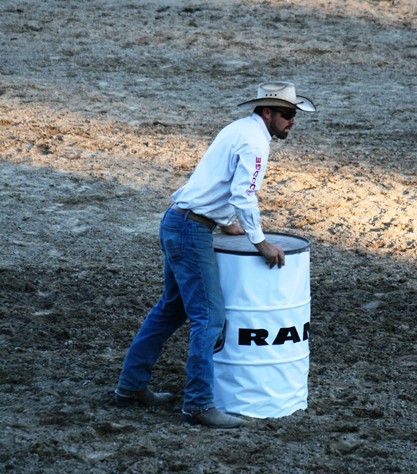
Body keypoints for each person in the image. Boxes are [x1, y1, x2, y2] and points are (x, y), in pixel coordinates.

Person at [114, 81, 316, 428]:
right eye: (286, 114)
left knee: (171, 309)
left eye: (294, 115)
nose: (291, 121)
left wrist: (223, 222)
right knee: (209, 317)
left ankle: (131, 386)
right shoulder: (255, 143)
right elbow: (243, 194)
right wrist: (259, 241)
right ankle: (197, 404)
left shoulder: (239, 130)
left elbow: (213, 181)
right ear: (267, 112)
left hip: (179, 221)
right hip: (191, 229)